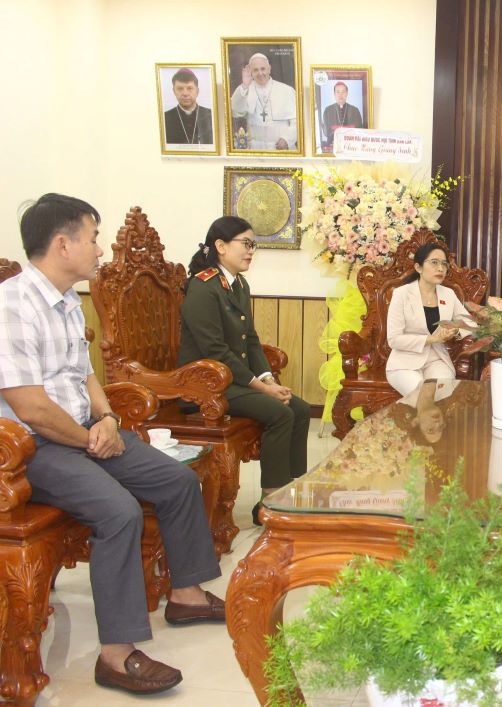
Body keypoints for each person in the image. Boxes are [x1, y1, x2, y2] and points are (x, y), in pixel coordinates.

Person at [0, 194, 225, 695]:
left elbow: (85, 377)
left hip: (83, 431)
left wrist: (104, 418)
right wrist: (88, 438)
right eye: (93, 238)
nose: (100, 250)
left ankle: (186, 594)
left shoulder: (64, 304)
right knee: (118, 511)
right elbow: (31, 407)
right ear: (62, 244)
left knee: (177, 479)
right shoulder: (12, 305)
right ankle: (116, 654)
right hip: (31, 449)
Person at [178, 216, 310, 525]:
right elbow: (215, 351)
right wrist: (262, 389)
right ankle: (270, 503)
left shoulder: (237, 283)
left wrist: (268, 379)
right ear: (221, 246)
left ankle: (293, 493)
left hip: (231, 379)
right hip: (204, 384)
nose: (251, 251)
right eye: (246, 244)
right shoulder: (203, 287)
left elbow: (250, 340)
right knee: (282, 413)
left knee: (300, 408)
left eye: (253, 245)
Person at [385, 244, 471, 396]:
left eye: (444, 264)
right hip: (404, 362)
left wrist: (456, 331)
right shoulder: (401, 294)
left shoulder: (448, 294)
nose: (440, 268)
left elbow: (470, 323)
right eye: (434, 262)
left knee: (441, 391)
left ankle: (420, 420)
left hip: (437, 359)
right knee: (421, 394)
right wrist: (431, 339)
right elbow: (394, 339)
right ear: (418, 267)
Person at [230, 52, 298, 150]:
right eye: (255, 70)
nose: (260, 73)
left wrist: (287, 139)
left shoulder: (287, 90)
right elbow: (235, 111)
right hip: (255, 148)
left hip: (281, 148)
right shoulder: (245, 90)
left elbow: (297, 121)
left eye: (263, 69)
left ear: (269, 68)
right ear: (251, 72)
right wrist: (244, 86)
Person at [163, 68, 213, 145]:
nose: (185, 93)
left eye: (190, 88)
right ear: (174, 91)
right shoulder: (164, 118)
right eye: (180, 89)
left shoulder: (211, 116)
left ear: (197, 91)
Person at [320, 81, 364, 152]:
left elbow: (359, 130)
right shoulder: (327, 110)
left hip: (351, 147)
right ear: (334, 94)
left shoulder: (355, 110)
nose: (340, 95)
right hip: (332, 146)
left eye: (343, 92)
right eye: (338, 92)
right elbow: (326, 132)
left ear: (347, 93)